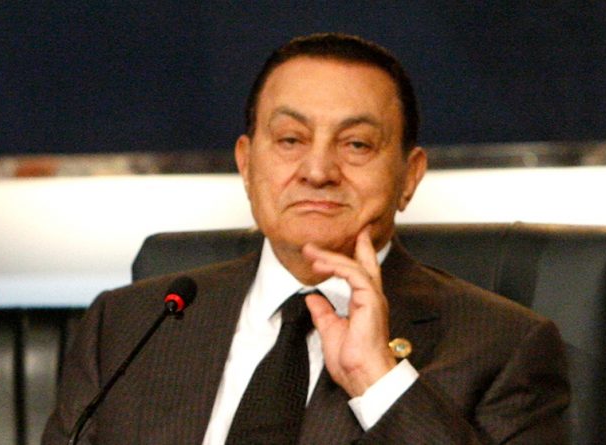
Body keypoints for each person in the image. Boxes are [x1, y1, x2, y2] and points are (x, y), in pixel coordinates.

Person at [42, 33, 569, 444]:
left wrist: (378, 381)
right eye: (290, 139)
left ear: (409, 176)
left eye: (356, 144)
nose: (318, 171)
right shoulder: (128, 325)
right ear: (246, 164)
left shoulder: (503, 348)